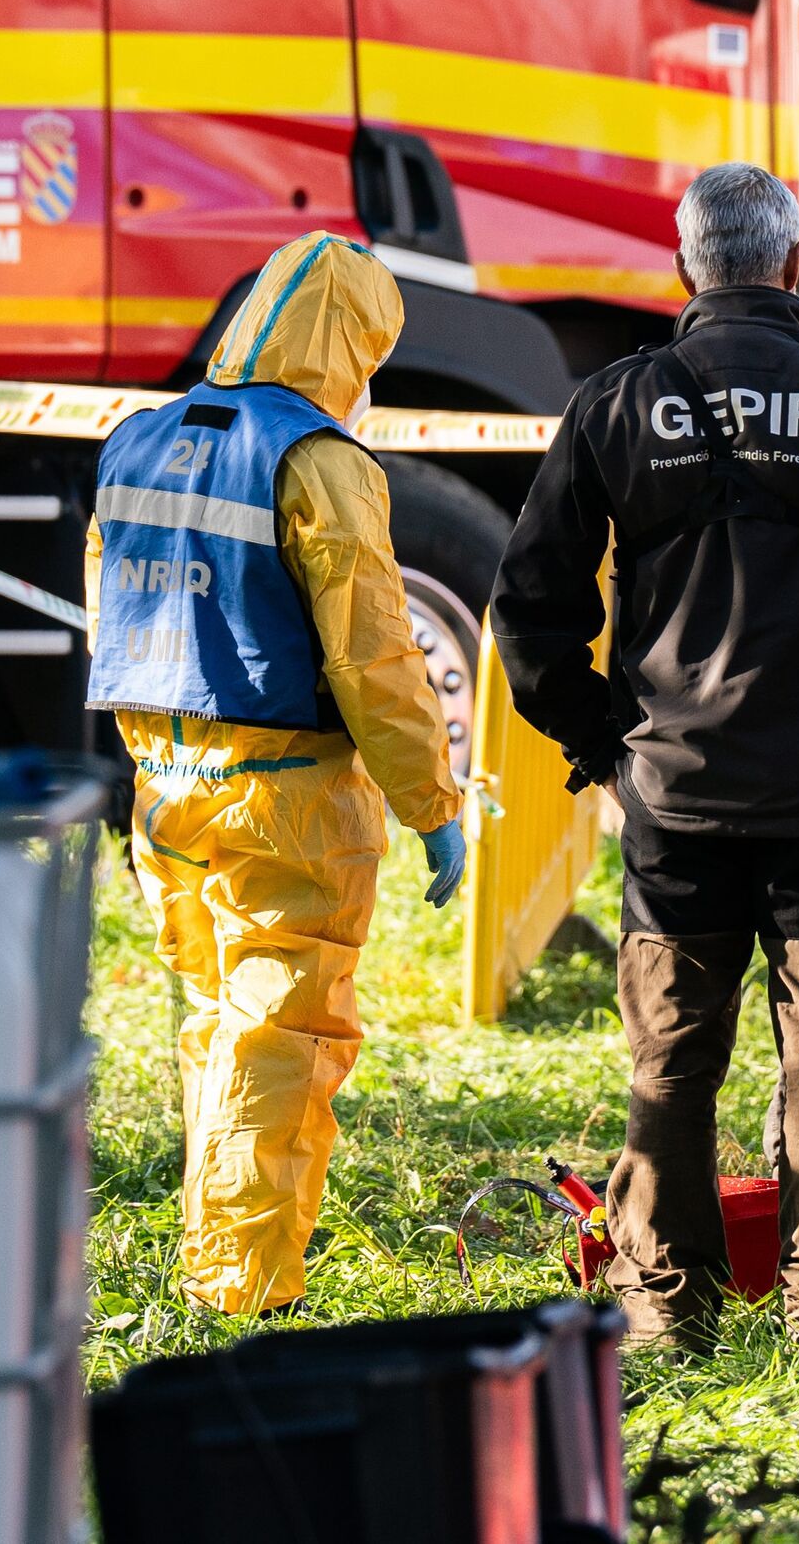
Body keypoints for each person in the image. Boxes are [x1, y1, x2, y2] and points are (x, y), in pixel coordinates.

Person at [488, 162, 799, 1349]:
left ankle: (666, 1308)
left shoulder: (618, 402)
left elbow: (529, 603)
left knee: (671, 1061)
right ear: (795, 265)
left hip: (673, 805)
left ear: (681, 268)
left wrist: (601, 738)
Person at [84, 231, 467, 1316]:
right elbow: (373, 655)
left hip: (168, 785)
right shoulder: (320, 463)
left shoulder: (138, 439)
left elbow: (115, 623)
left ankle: (217, 1253)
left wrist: (157, 758)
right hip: (286, 795)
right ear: (345, 343)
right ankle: (243, 1290)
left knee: (217, 1022)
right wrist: (431, 804)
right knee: (282, 1042)